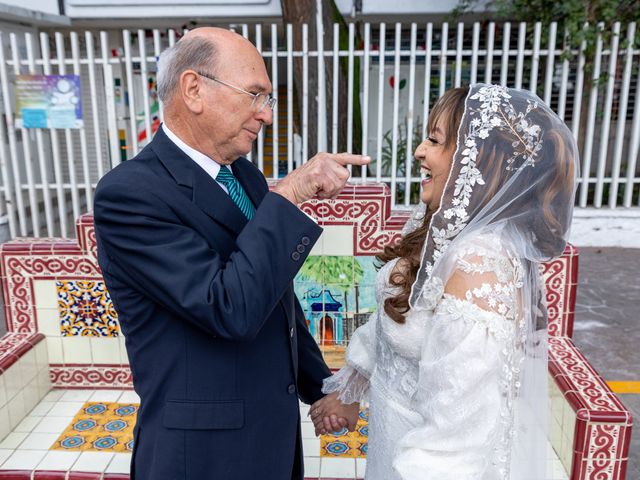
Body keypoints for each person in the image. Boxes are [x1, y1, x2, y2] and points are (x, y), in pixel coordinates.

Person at [93, 27, 368, 480]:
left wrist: (323, 388)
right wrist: (292, 192)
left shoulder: (245, 176)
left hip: (270, 437)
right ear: (194, 89)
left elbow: (274, 295)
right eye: (255, 95)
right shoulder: (131, 194)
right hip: (202, 455)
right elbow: (229, 308)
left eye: (269, 99)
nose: (266, 115)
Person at [311, 84, 578, 480]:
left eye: (435, 140)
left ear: (479, 162)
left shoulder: (478, 265)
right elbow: (394, 323)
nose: (420, 150)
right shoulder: (438, 223)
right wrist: (350, 390)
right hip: (393, 435)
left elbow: (454, 444)